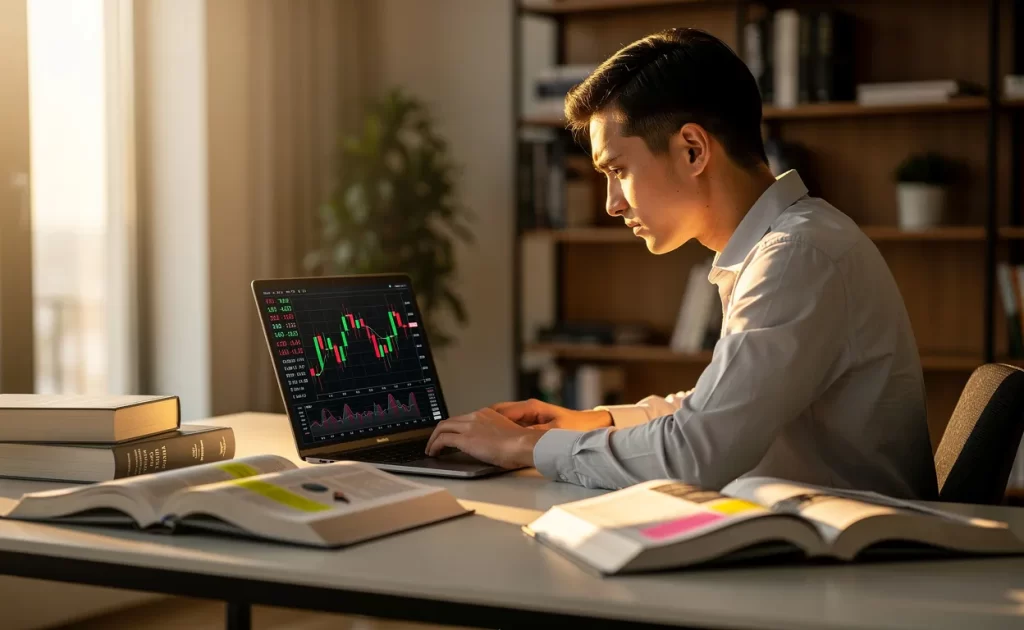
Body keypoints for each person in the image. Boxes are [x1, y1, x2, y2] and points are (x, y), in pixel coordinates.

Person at [426, 27, 938, 500]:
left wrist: (522, 449)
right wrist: (588, 422)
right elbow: (718, 407)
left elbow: (696, 452)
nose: (612, 203)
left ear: (692, 150)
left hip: (850, 569)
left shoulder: (795, 256)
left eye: (618, 170)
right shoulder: (783, 245)